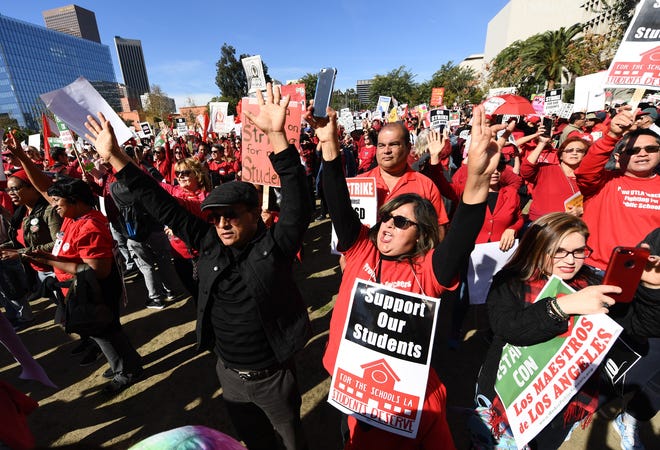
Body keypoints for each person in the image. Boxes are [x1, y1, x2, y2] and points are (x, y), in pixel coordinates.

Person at [85, 83, 312, 450]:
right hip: (229, 374)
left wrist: (276, 137)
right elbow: (159, 202)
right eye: (215, 217)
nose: (222, 224)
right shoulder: (207, 243)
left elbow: (299, 203)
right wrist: (116, 158)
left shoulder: (275, 247)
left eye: (231, 217)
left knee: (290, 442)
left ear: (255, 214)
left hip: (273, 378)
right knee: (253, 442)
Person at [308, 103, 505, 449]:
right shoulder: (361, 251)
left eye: (401, 222)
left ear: (421, 234)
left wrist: (475, 181)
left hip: (401, 400)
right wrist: (328, 145)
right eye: (386, 218)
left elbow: (460, 238)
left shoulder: (428, 270)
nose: (387, 226)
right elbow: (338, 199)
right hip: (352, 387)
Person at [475, 212, 620, 448]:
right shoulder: (511, 281)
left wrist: (651, 290)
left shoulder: (592, 283)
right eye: (559, 251)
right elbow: (508, 327)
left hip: (564, 401)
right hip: (507, 395)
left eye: (579, 251)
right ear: (537, 247)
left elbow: (637, 327)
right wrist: (560, 306)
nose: (570, 260)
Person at [5, 147, 143, 393]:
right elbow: (43, 188)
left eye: (57, 201)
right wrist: (23, 159)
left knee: (106, 330)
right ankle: (122, 363)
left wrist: (50, 260)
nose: (54, 205)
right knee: (101, 331)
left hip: (96, 290)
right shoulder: (72, 216)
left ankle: (127, 370)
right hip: (79, 289)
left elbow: (96, 271)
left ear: (75, 201)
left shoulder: (89, 226)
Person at [575, 108, 660, 272]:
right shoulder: (602, 182)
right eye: (632, 151)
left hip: (648, 275)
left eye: (650, 149)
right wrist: (612, 135)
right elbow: (586, 171)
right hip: (598, 270)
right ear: (617, 157)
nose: (642, 154)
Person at [521, 135, 590, 221]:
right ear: (561, 155)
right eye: (569, 150)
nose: (574, 153)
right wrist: (542, 143)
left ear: (585, 155)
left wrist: (582, 209)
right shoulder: (546, 169)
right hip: (542, 224)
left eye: (579, 151)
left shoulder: (589, 177)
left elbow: (595, 202)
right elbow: (526, 170)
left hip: (571, 226)